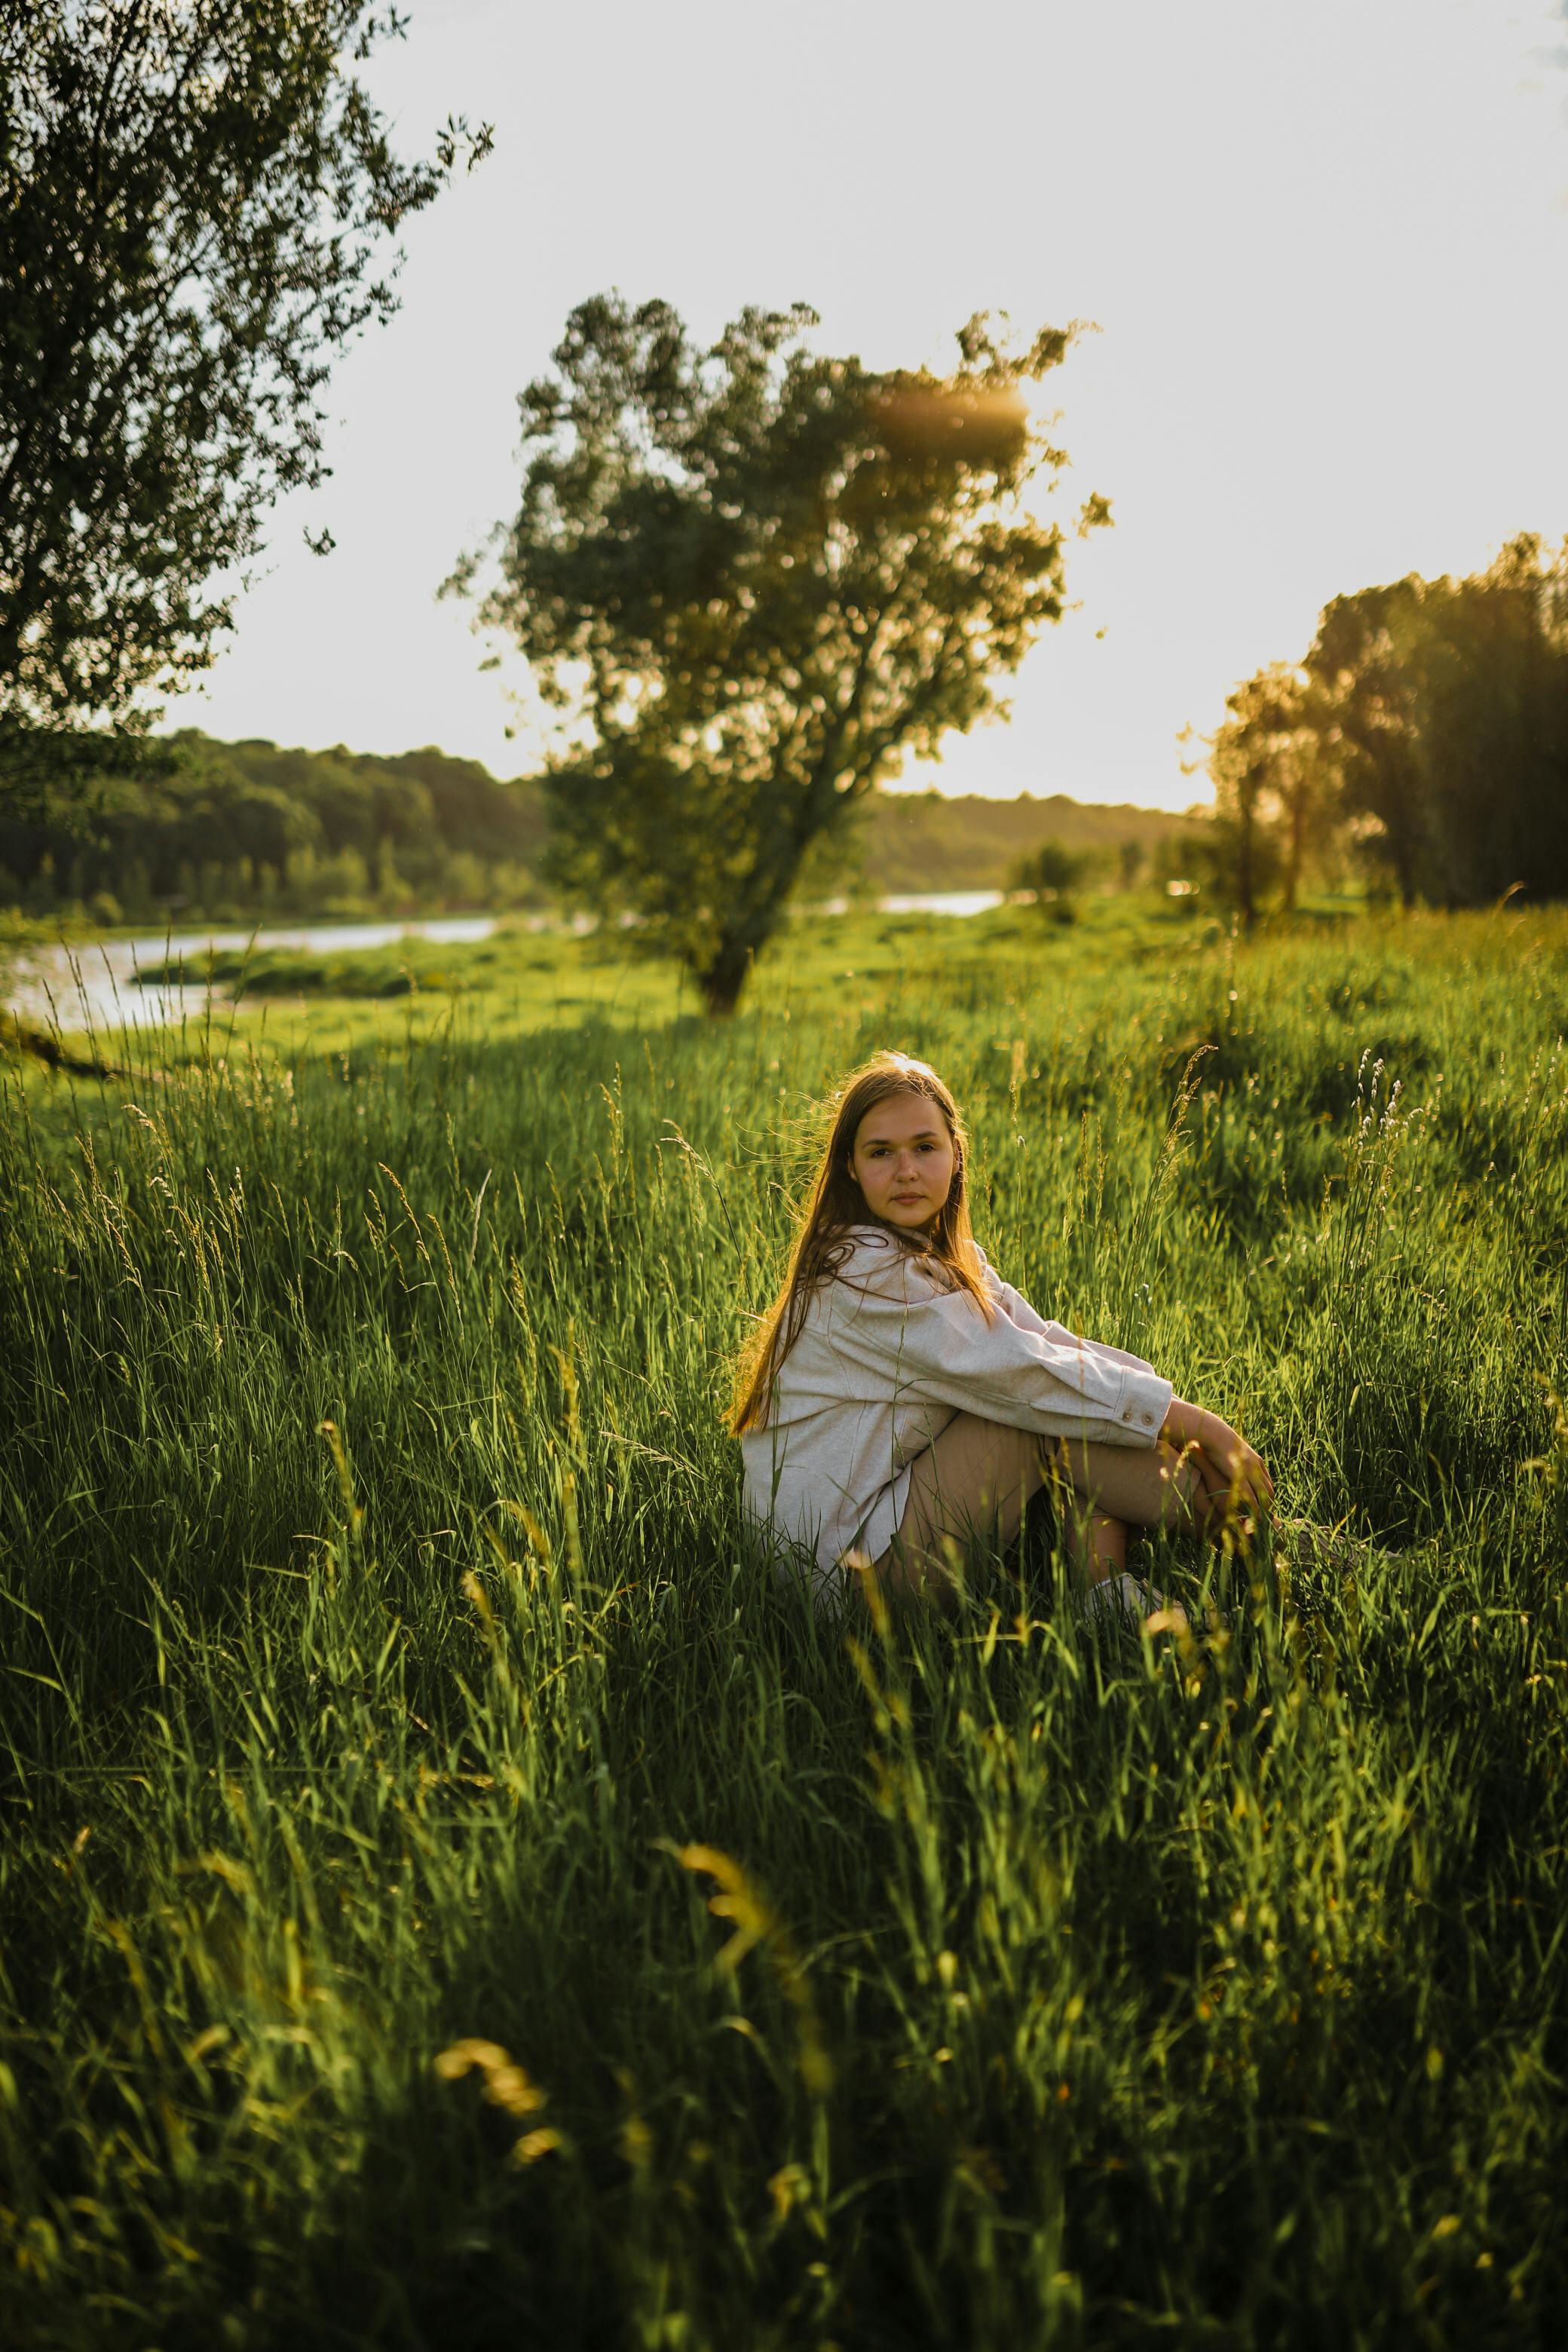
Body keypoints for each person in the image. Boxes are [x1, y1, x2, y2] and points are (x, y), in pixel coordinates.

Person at [731, 1051, 1274, 1618]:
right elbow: (1026, 1377)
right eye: (880, 1153)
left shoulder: (940, 1258)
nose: (907, 1170)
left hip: (880, 1531)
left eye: (924, 1146)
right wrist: (1199, 1428)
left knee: (1071, 1398)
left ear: (955, 1153)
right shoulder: (861, 1275)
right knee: (1041, 1411)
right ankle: (1266, 1537)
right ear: (850, 1167)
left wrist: (1169, 1414)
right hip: (845, 1582)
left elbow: (1044, 1344)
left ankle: (1108, 1594)